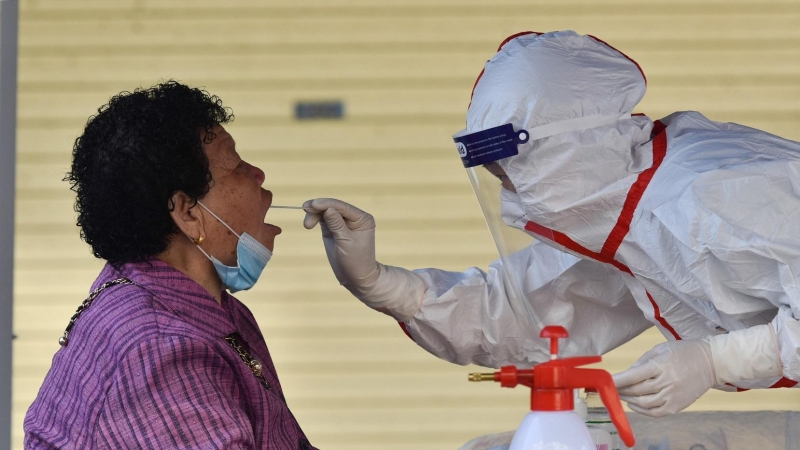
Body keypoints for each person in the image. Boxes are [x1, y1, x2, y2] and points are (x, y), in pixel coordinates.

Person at [302, 30, 800, 418]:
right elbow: (535, 313)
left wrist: (716, 362)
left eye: (513, 173)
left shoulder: (715, 192)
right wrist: (386, 286)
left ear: (564, 152)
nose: (511, 195)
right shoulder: (630, 217)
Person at [24, 81, 315, 449]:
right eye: (236, 164)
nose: (257, 173)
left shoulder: (206, 309)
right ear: (188, 212)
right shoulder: (162, 348)